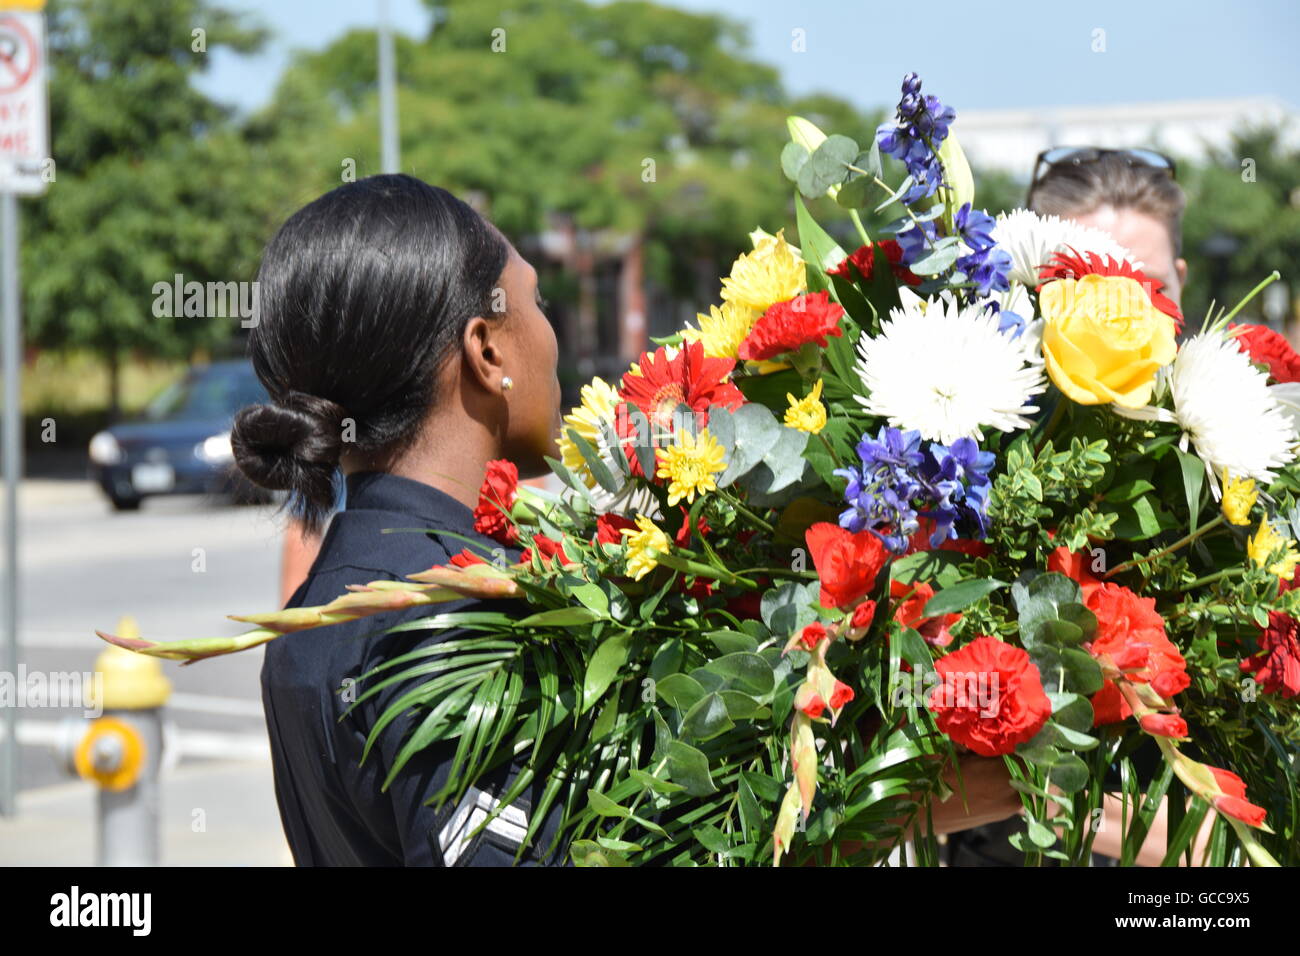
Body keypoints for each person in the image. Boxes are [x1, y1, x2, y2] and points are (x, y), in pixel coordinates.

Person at [234, 173, 1022, 867]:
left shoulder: (319, 609)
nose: (553, 333)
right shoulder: (453, 622)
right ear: (487, 352)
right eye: (538, 302)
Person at [942, 148, 1209, 867]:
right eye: (1084, 286)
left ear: (1179, 287)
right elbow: (853, 812)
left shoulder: (1237, 492)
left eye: (1146, 287)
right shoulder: (950, 477)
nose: (1120, 315)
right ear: (1027, 291)